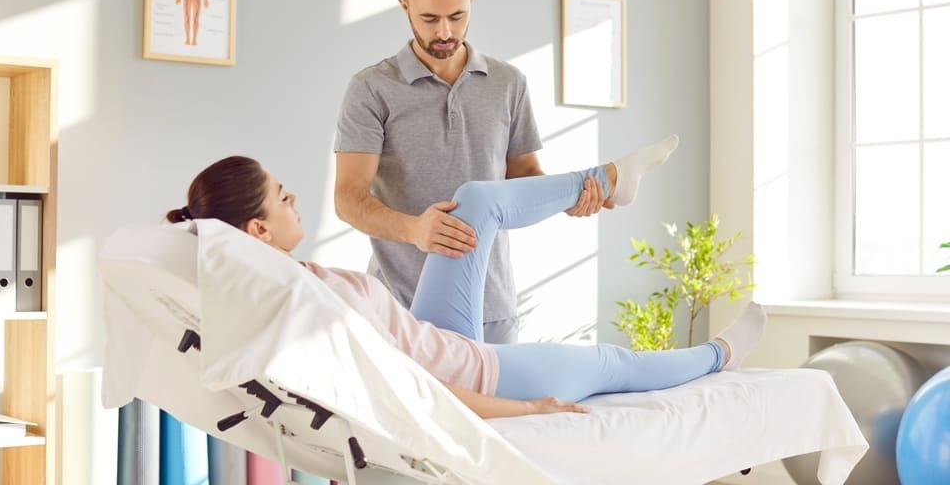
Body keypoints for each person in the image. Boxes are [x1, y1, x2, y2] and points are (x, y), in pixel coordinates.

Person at [166, 136, 768, 419]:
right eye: (279, 194)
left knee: (475, 200)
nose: (292, 195)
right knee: (613, 365)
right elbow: (407, 388)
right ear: (257, 230)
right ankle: (720, 355)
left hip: (433, 335)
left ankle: (609, 180)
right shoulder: (309, 303)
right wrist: (531, 411)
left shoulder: (290, 280)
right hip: (472, 371)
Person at [334, 0, 610, 344]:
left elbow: (526, 178)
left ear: (472, 2)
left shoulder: (508, 83)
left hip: (491, 307)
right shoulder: (371, 89)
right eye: (429, 18)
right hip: (398, 309)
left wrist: (571, 199)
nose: (444, 32)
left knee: (492, 407)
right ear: (404, 6)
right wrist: (416, 230)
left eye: (456, 16)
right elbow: (348, 197)